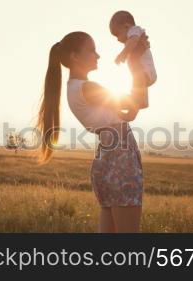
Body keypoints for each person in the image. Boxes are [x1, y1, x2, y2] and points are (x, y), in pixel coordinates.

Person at [36, 31, 150, 233]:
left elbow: (130, 109)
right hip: (120, 158)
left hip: (106, 160)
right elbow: (139, 101)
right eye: (92, 50)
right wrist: (138, 58)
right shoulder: (87, 88)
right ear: (75, 56)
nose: (98, 55)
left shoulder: (74, 88)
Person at [110, 10, 157, 112]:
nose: (117, 39)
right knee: (136, 92)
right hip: (144, 74)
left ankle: (140, 101)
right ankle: (136, 105)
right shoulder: (132, 38)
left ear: (126, 26)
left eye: (117, 34)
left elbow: (133, 40)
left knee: (137, 79)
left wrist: (123, 54)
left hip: (145, 71)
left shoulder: (135, 30)